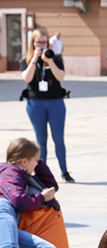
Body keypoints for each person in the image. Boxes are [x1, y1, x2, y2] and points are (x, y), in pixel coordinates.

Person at [0, 138, 59, 248]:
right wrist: (41, 198)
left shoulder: (19, 172)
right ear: (24, 161)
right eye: (36, 160)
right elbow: (19, 201)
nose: (37, 163)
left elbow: (52, 186)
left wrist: (37, 162)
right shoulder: (10, 171)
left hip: (8, 216)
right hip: (3, 210)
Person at [21, 27, 73, 182]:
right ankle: (40, 173)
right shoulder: (26, 59)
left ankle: (64, 171)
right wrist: (34, 59)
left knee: (59, 139)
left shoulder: (55, 58)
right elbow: (27, 78)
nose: (42, 45)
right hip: (35, 103)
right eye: (38, 42)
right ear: (33, 43)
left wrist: (49, 61)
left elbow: (61, 77)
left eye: (44, 42)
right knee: (40, 141)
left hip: (55, 102)